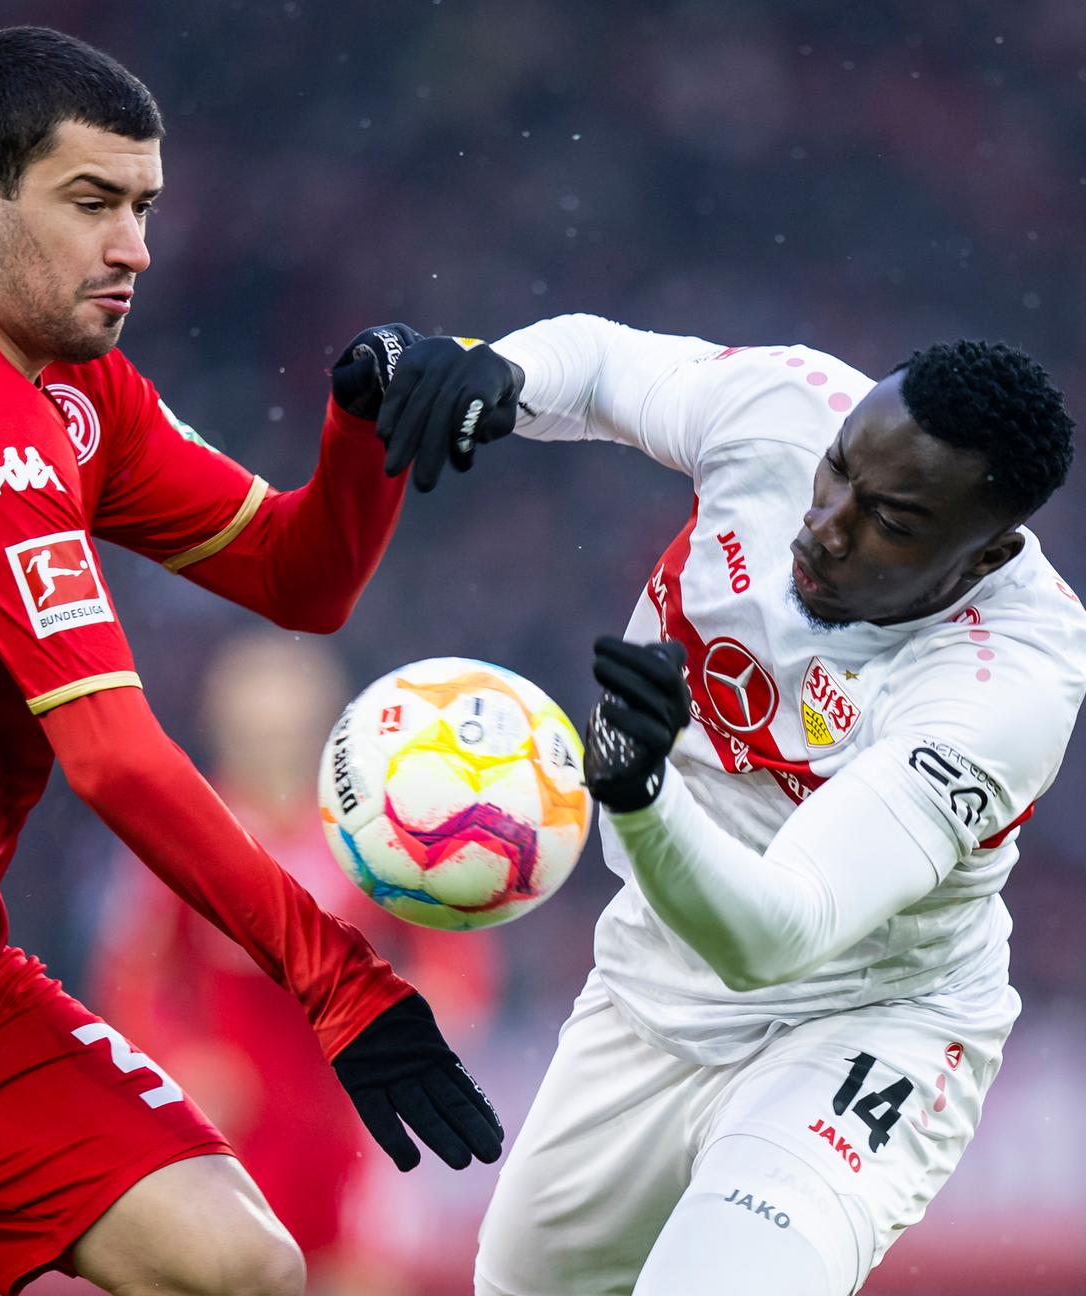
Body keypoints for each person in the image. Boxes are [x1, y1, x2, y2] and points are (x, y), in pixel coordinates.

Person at [0, 26, 505, 1296]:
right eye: (91, 204)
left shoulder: (79, 397)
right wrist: (340, 982)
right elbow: (118, 762)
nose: (133, 246)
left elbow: (304, 581)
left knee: (243, 1266)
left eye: (142, 206)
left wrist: (363, 431)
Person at [376, 315, 1086, 1294]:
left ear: (986, 557)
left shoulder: (1006, 684)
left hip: (862, 1019)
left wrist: (640, 789)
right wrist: (495, 373)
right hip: (647, 990)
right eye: (837, 472)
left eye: (892, 520)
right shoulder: (787, 406)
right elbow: (597, 363)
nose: (828, 523)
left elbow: (779, 934)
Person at [88, 630, 504, 1296]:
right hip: (240, 1122)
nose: (273, 750)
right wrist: (179, 1056)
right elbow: (131, 974)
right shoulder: (182, 829)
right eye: (256, 732)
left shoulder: (372, 828)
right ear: (222, 728)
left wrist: (434, 1007)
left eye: (289, 731)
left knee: (364, 1277)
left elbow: (453, 949)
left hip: (357, 1114)